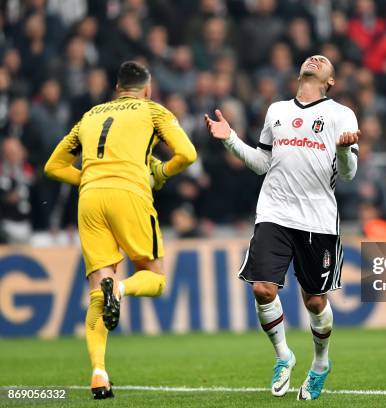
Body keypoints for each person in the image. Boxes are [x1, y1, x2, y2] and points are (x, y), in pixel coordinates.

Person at [205, 55, 360, 400]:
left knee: (315, 301)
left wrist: (347, 150)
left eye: (324, 61)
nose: (316, 59)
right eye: (312, 58)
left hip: (318, 219)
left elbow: (348, 173)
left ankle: (320, 364)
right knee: (262, 289)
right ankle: (283, 356)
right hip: (274, 212)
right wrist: (230, 138)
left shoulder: (341, 115)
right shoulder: (276, 110)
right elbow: (262, 163)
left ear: (330, 81)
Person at [44, 61, 197, 399]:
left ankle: (99, 374)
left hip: (90, 199)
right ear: (148, 88)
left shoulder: (90, 115)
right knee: (155, 278)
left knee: (98, 292)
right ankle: (122, 289)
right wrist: (160, 174)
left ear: (116, 88)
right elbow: (187, 154)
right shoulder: (152, 110)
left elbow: (53, 166)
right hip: (130, 194)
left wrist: (90, 176)